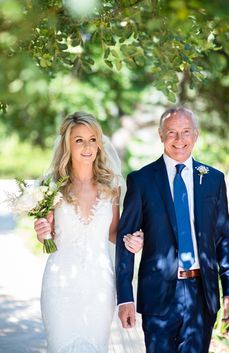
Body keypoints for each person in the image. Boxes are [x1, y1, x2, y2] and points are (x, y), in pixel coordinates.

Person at [115, 106, 229, 353]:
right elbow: (125, 240)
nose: (179, 140)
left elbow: (224, 238)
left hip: (202, 295)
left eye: (185, 132)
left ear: (196, 134)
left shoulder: (213, 179)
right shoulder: (141, 180)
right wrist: (125, 297)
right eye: (171, 132)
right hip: (158, 295)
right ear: (160, 135)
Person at [34, 112, 143, 353]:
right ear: (67, 145)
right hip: (59, 284)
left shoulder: (111, 186)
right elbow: (46, 235)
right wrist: (42, 232)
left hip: (100, 284)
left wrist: (137, 239)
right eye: (79, 140)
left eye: (92, 139)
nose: (87, 147)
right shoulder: (52, 186)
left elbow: (114, 232)